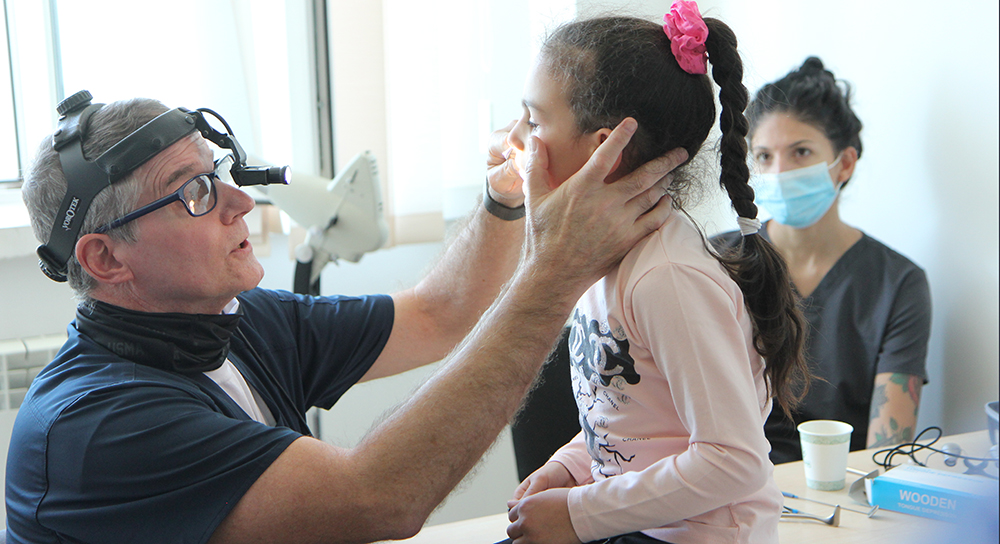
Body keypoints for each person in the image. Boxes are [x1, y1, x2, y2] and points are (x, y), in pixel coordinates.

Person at [5, 89, 688, 543]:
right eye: (193, 193)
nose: (240, 203)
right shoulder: (93, 428)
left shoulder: (236, 322)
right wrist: (553, 275)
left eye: (219, 171)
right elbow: (379, 498)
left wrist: (503, 195)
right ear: (105, 259)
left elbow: (438, 315)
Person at [499, 3, 810, 543]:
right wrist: (570, 467)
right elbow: (633, 417)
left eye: (535, 120)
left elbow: (734, 460)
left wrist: (578, 514)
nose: (516, 138)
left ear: (605, 151)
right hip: (640, 524)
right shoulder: (604, 259)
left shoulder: (667, 277)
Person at [713, 57, 932, 464]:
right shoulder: (717, 261)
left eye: (800, 152)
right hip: (731, 486)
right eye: (763, 156)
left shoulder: (898, 283)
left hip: (840, 489)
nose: (780, 172)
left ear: (844, 163)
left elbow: (890, 452)